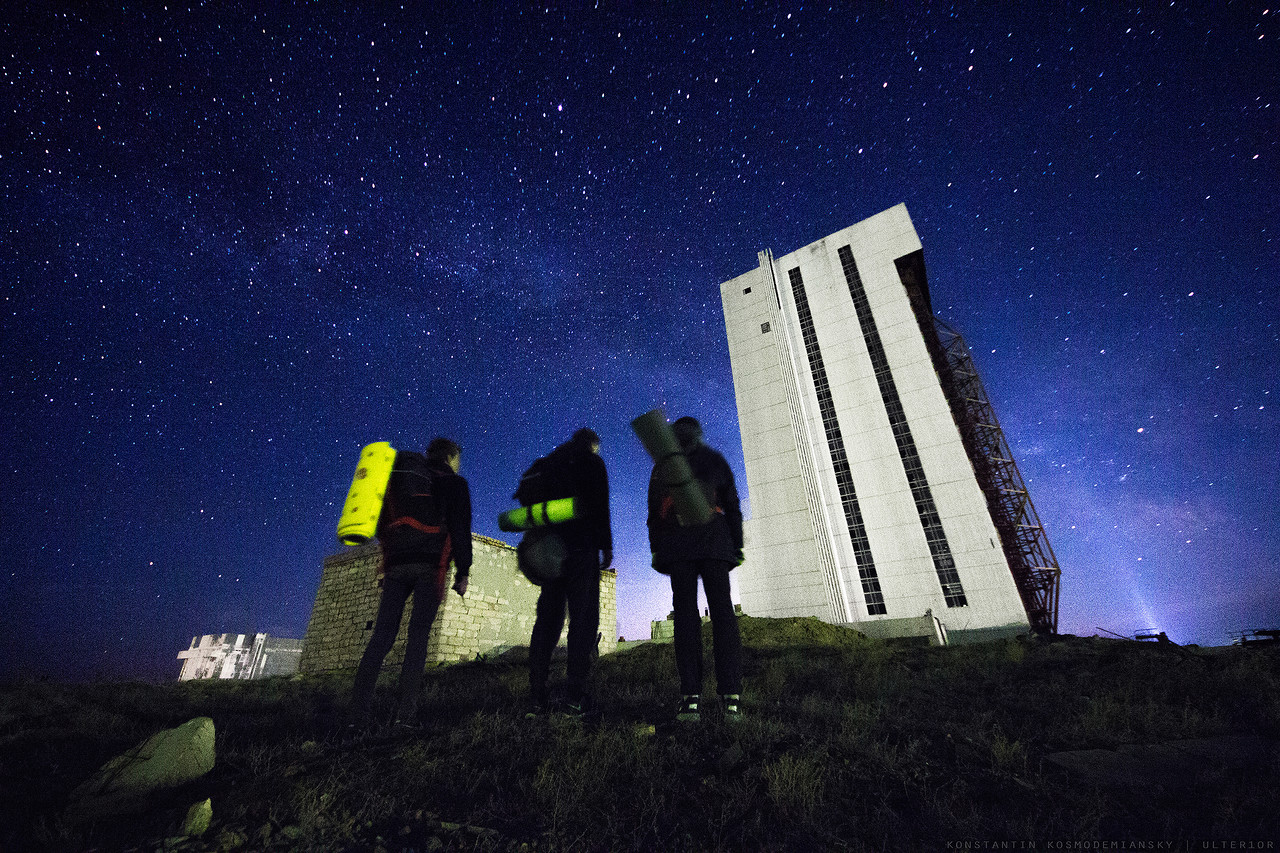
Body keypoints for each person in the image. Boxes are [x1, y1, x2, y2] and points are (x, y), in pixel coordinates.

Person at [352, 437, 472, 723]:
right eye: (457, 459)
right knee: (417, 640)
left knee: (381, 637)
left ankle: (357, 715)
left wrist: (386, 561)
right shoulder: (455, 483)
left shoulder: (403, 478)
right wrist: (464, 571)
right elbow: (460, 528)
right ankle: (405, 716)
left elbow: (382, 521)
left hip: (397, 565)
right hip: (430, 567)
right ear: (451, 457)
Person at [648, 416, 744, 722]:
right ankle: (731, 698)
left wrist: (657, 548)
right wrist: (736, 544)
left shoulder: (663, 465)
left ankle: (690, 698)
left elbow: (653, 514)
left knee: (685, 618)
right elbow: (732, 504)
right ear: (698, 435)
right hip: (715, 541)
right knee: (723, 615)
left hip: (679, 546)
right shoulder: (714, 459)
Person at [527, 427, 612, 715]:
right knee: (583, 620)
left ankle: (536, 696)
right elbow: (601, 506)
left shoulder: (551, 461)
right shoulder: (591, 462)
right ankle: (574, 696)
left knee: (547, 622)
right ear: (592, 443)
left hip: (552, 551)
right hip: (581, 549)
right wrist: (606, 546)